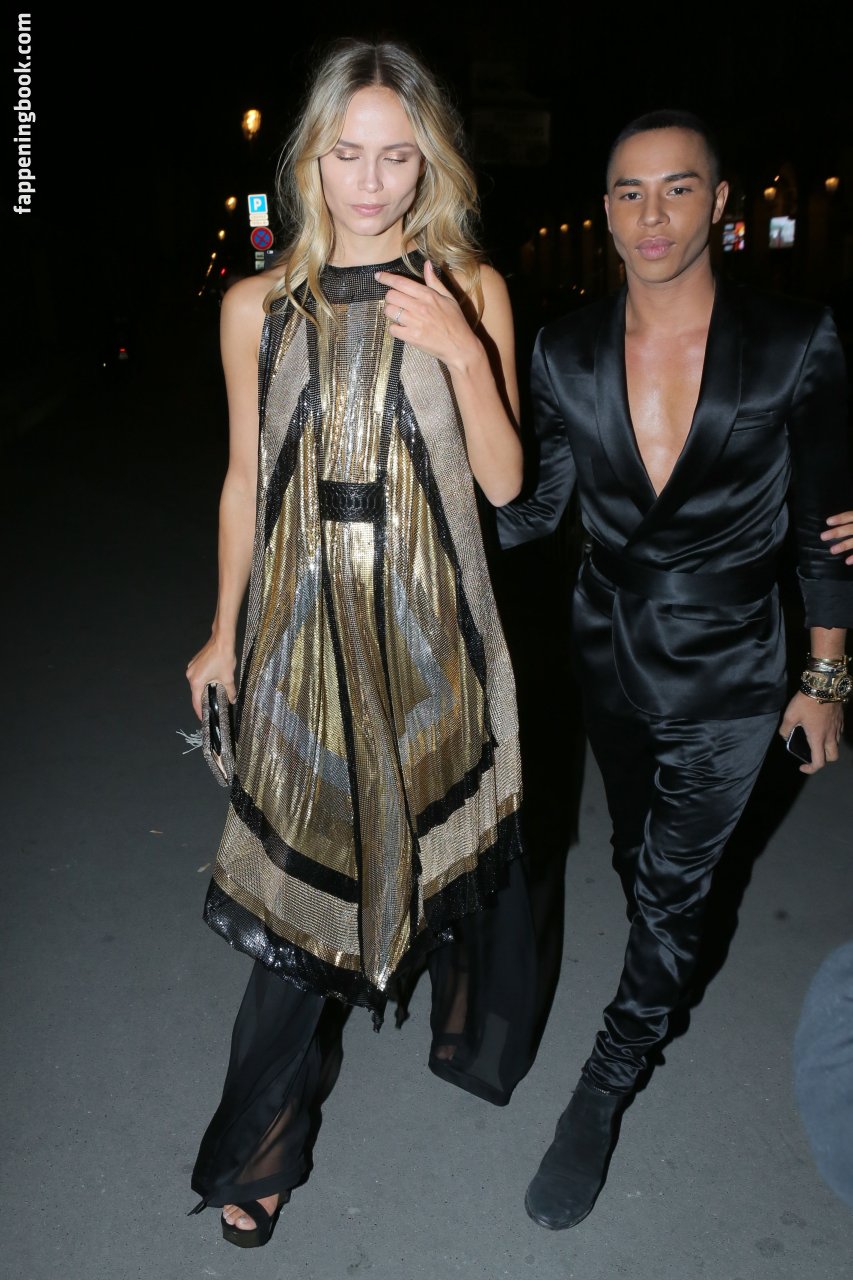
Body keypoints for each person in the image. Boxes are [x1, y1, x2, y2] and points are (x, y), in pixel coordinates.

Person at [184, 37, 535, 1249]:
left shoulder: (471, 288)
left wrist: (459, 346)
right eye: (348, 154)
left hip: (432, 633)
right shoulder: (256, 306)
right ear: (311, 160)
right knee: (301, 893)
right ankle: (259, 1147)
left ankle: (460, 1021)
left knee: (436, 849)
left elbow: (505, 482)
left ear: (427, 162)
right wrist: (222, 629)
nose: (372, 182)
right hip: (301, 636)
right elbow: (245, 479)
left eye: (396, 156)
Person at [496, 108, 853, 1230]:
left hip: (731, 661)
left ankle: (602, 1087)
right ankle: (660, 953)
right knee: (631, 849)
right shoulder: (561, 350)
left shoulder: (794, 340)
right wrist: (440, 428)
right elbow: (531, 514)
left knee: (671, 888)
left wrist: (824, 679)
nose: (651, 215)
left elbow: (826, 528)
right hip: (603, 644)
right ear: (605, 211)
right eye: (628, 192)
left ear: (720, 203)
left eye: (677, 188)